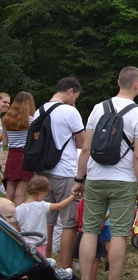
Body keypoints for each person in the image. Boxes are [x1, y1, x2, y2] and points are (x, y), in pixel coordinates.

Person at [73, 66, 138, 280]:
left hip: (96, 177)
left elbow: (86, 148)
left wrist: (79, 180)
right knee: (118, 233)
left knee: (89, 230)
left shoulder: (98, 108)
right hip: (123, 181)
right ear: (137, 85)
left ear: (118, 82)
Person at [32, 77, 84, 268]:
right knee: (69, 222)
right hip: (65, 172)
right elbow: (81, 142)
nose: (75, 102)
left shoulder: (40, 110)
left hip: (42, 172)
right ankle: (65, 266)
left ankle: (45, 263)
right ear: (70, 91)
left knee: (48, 220)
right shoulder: (70, 111)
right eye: (75, 97)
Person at [16, 175, 77, 257]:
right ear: (40, 192)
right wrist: (73, 197)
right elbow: (60, 205)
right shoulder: (41, 206)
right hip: (39, 242)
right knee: (40, 263)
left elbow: (16, 225)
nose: (44, 198)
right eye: (45, 195)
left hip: (24, 243)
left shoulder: (18, 209)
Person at [2, 91, 36, 205]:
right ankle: (16, 220)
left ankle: (5, 218)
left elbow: (6, 143)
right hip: (25, 156)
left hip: (12, 156)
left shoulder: (6, 120)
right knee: (20, 193)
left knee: (9, 193)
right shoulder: (30, 120)